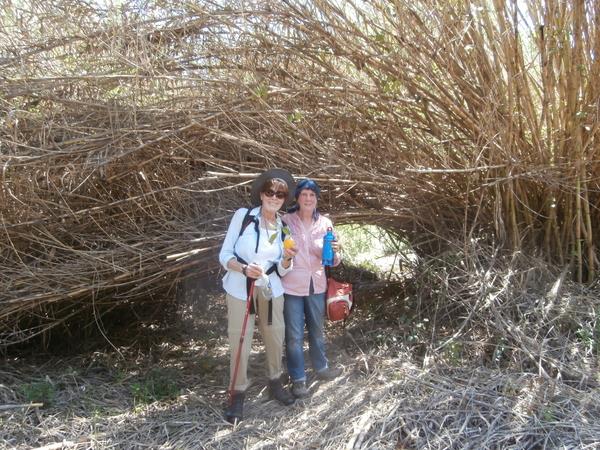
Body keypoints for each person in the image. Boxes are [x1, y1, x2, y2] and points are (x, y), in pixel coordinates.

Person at [218, 168, 298, 423]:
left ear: (285, 199)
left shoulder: (284, 227)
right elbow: (224, 255)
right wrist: (243, 268)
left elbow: (285, 270)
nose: (274, 197)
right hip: (240, 288)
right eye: (270, 192)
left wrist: (286, 260)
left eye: (280, 194)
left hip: (271, 290)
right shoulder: (243, 217)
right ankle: (237, 394)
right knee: (239, 340)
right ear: (261, 194)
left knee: (275, 336)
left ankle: (276, 382)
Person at [281, 179, 343, 398]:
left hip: (316, 284)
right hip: (291, 286)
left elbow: (333, 261)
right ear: (297, 198)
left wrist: (336, 251)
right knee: (294, 335)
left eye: (312, 195)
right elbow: (278, 253)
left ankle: (321, 368)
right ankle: (298, 379)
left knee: (317, 331)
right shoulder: (285, 221)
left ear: (316, 199)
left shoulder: (325, 223)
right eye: (304, 194)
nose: (308, 199)